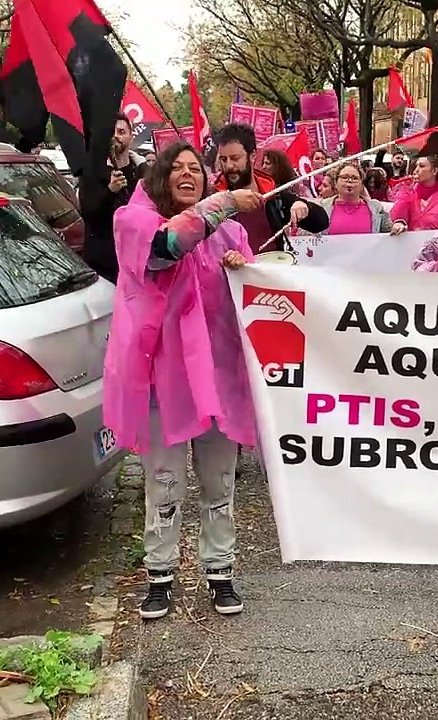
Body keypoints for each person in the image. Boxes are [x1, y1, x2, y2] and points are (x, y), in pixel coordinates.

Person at [107, 140, 264, 619]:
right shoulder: (133, 222)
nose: (187, 173)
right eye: (176, 167)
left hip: (218, 379)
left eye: (196, 167)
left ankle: (220, 572)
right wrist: (224, 203)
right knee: (164, 482)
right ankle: (160, 575)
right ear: (159, 177)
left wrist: (245, 269)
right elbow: (166, 248)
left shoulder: (230, 232)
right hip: (163, 380)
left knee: (218, 483)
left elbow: (257, 299)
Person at [212, 123, 328, 253]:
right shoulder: (212, 199)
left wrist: (303, 205)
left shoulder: (273, 196)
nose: (228, 166)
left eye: (235, 158)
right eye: (223, 159)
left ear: (253, 155)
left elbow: (321, 222)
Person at [80, 113, 146, 283]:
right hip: (105, 264)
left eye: (121, 131)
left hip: (137, 261)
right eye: (111, 132)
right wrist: (110, 191)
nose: (116, 136)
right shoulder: (91, 172)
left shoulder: (143, 172)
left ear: (131, 137)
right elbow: (88, 213)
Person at [318, 164, 392, 235]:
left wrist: (399, 224)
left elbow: (391, 231)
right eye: (344, 177)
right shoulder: (322, 208)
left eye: (355, 178)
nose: (349, 180)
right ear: (335, 183)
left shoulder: (376, 208)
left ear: (362, 184)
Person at [390, 156, 438, 234]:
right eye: (416, 166)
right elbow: (398, 216)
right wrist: (399, 223)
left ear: (434, 171)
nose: (415, 171)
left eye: (421, 166)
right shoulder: (409, 192)